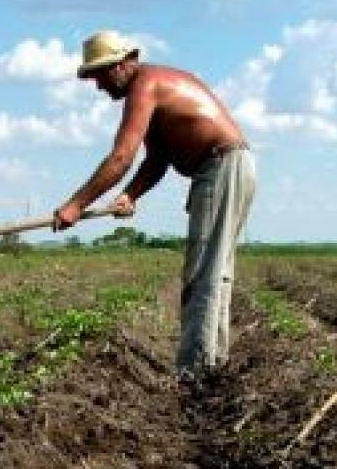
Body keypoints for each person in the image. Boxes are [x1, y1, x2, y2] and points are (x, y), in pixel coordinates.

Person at [53, 30, 256, 377]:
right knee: (215, 271)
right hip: (229, 166)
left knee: (204, 273)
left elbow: (120, 157)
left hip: (221, 166)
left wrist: (76, 204)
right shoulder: (156, 83)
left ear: (122, 64)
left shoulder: (144, 86)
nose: (99, 86)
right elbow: (156, 159)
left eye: (100, 75)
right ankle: (211, 363)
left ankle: (196, 371)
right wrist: (131, 194)